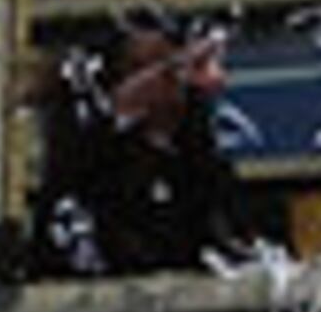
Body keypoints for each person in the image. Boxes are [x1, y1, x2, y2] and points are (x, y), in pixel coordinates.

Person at [29, 18, 264, 277]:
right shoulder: (89, 171)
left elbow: (244, 247)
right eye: (146, 69)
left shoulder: (203, 167)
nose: (164, 83)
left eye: (173, 69)